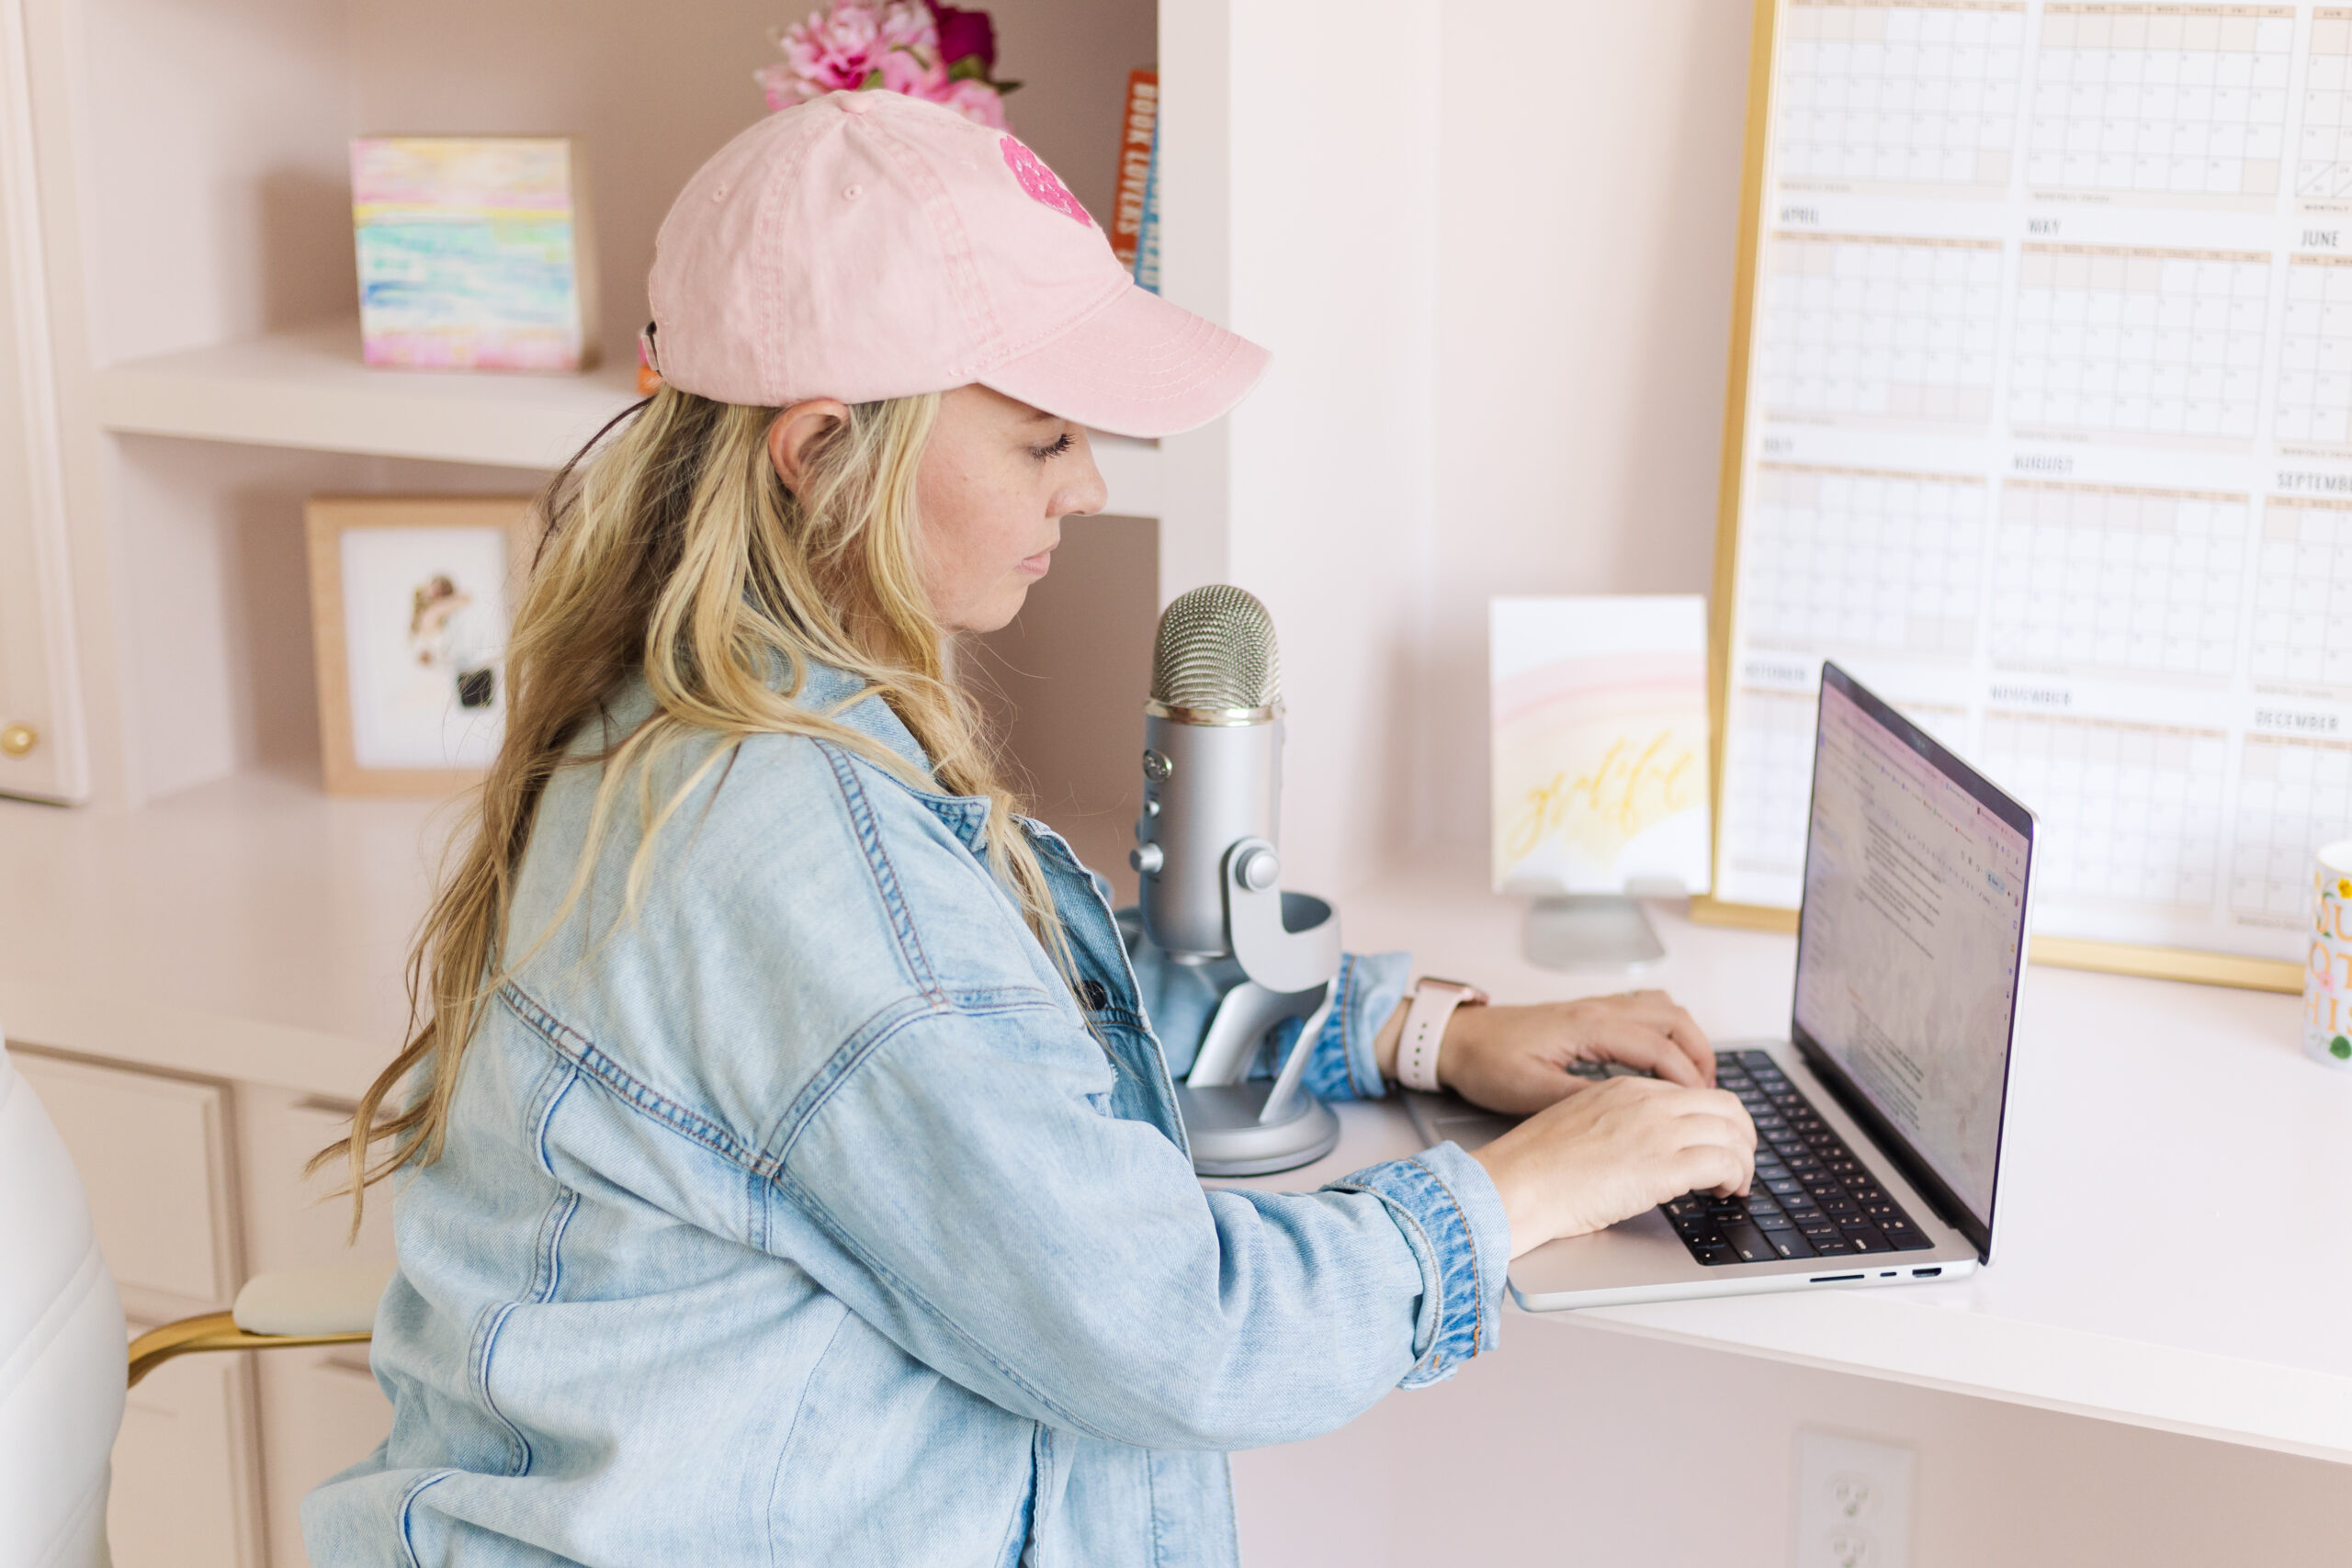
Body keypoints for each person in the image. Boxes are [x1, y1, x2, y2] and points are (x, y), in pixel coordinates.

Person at [303, 90, 1755, 1568]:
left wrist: (1412, 1034)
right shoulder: (793, 848)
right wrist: (1522, 1193)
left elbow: (993, 1023)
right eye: (1044, 439)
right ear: (819, 451)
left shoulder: (710, 714)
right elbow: (1180, 1334)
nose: (1090, 483)